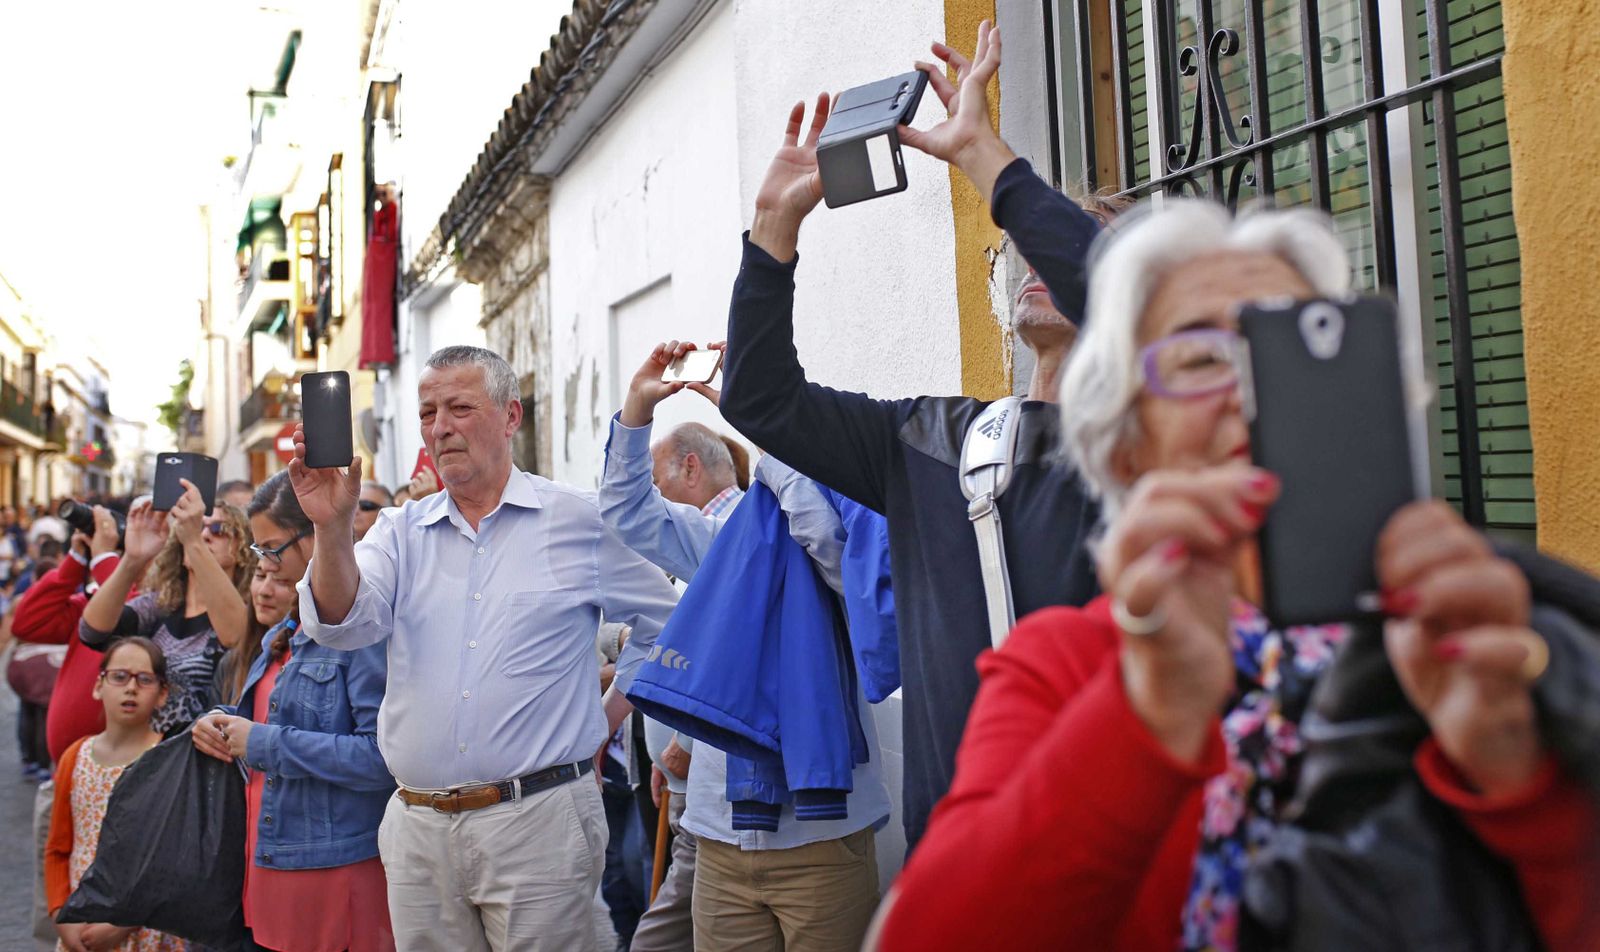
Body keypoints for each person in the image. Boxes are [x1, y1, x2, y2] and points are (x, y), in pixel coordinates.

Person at [875, 200, 1600, 951]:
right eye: (1202, 358)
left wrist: (1521, 780)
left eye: (1290, 346)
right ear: (1128, 446)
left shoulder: (1475, 629)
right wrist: (1151, 706)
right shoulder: (1067, 663)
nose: (1254, 392)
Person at [718, 23, 1106, 848]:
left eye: (1060, 241)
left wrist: (982, 157)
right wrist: (774, 229)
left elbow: (1139, 300)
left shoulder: (1158, 449)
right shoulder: (937, 438)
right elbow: (760, 400)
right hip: (956, 855)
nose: (1032, 255)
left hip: (1111, 849)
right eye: (1030, 239)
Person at [292, 344, 680, 952]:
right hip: (419, 828)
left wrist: (607, 714)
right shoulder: (399, 530)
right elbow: (339, 622)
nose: (439, 427)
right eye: (427, 413)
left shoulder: (578, 519)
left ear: (511, 416)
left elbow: (671, 624)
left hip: (541, 822)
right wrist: (330, 526)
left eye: (459, 407)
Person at [603, 342, 892, 952]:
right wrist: (635, 413)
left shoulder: (842, 534)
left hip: (822, 839)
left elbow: (820, 532)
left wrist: (761, 419)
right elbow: (628, 513)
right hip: (719, 838)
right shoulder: (725, 546)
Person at [192, 470, 395, 952]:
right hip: (270, 862)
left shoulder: (360, 629)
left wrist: (259, 742)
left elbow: (382, 758)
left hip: (336, 870)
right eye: (258, 550)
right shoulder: (286, 629)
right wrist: (219, 722)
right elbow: (272, 716)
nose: (264, 564)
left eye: (271, 547)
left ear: (315, 534)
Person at [12, 504, 129, 952]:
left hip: (115, 777)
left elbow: (125, 613)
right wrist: (76, 560)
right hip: (66, 774)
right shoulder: (88, 603)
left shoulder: (138, 598)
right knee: (59, 894)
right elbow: (29, 622)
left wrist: (108, 561)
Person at [44, 636, 183, 952]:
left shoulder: (167, 761)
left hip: (144, 930)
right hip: (80, 925)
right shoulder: (74, 758)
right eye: (119, 677)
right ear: (98, 686)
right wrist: (61, 913)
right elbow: (57, 848)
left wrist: (122, 923)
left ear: (162, 694)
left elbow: (172, 860)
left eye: (144, 679)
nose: (131, 688)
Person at [79, 484, 253, 735]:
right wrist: (132, 559)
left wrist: (193, 542)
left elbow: (238, 637)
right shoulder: (159, 605)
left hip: (207, 760)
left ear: (242, 548)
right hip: (152, 755)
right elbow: (92, 632)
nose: (204, 535)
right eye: (196, 527)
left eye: (219, 529)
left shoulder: (247, 610)